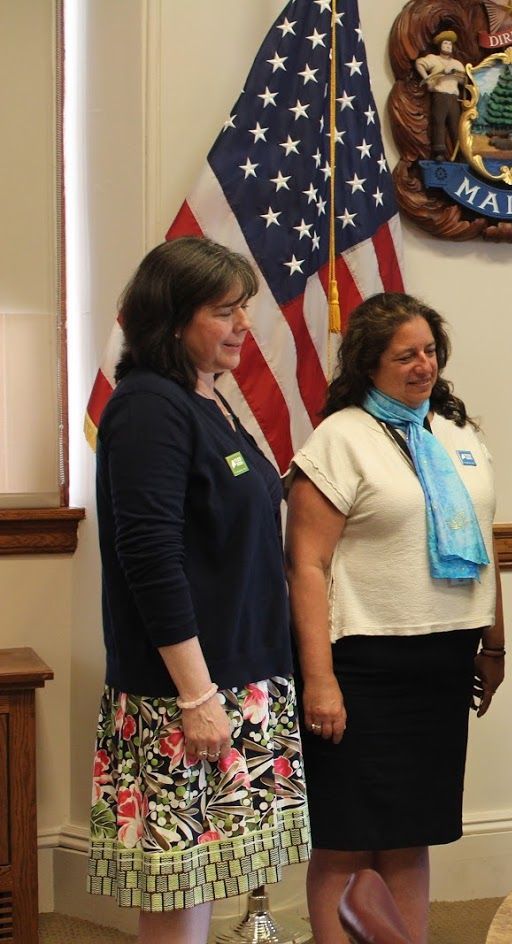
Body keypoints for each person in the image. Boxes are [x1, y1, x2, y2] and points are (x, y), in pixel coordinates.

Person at [88, 237, 308, 941]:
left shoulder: (207, 400)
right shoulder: (149, 406)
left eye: (242, 307)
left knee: (207, 881)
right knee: (180, 890)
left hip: (240, 680)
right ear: (174, 318)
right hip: (189, 694)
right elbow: (149, 556)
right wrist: (197, 695)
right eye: (225, 310)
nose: (244, 323)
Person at [285, 293, 503, 941]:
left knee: (412, 835)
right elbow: (307, 568)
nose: (423, 366)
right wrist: (319, 681)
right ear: (368, 363)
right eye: (404, 355)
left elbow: (486, 548)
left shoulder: (459, 434)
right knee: (348, 841)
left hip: (441, 668)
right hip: (361, 670)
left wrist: (492, 648)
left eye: (430, 351)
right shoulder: (340, 439)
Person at [416, 29, 468, 160]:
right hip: (440, 95)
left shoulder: (457, 64)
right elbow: (419, 63)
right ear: (440, 46)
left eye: (450, 45)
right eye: (445, 44)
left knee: (455, 125)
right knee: (439, 122)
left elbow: (463, 80)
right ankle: (439, 152)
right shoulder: (433, 59)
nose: (448, 47)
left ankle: (459, 153)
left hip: (453, 97)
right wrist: (428, 79)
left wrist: (455, 74)